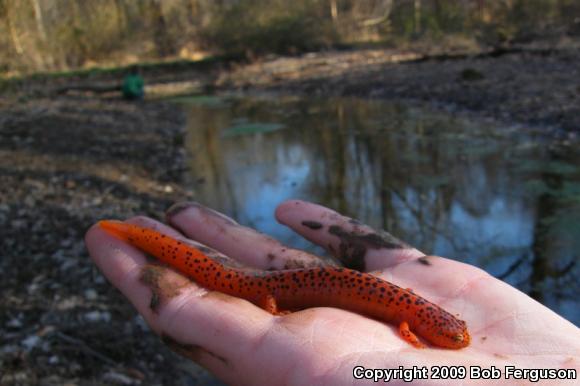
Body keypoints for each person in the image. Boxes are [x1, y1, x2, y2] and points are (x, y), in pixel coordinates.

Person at [85, 200, 580, 385]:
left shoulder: (423, 316)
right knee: (232, 282)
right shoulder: (414, 322)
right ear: (429, 326)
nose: (458, 340)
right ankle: (136, 237)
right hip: (269, 287)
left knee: (241, 283)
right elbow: (407, 328)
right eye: (452, 338)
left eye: (454, 337)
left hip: (286, 287)